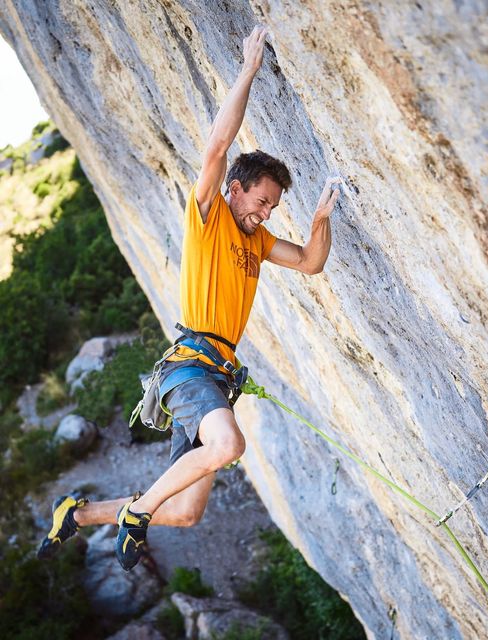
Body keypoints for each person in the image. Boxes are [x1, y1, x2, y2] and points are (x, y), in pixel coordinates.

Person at [38, 25, 343, 570]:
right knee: (227, 448)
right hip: (189, 370)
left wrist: (319, 220)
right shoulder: (210, 217)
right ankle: (137, 514)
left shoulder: (260, 241)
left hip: (216, 378)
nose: (266, 212)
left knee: (184, 513)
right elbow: (218, 147)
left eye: (273, 206)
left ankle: (78, 515)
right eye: (262, 200)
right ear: (235, 188)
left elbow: (311, 263)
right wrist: (248, 69)